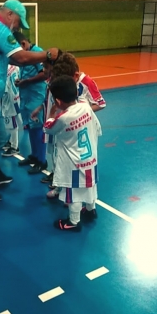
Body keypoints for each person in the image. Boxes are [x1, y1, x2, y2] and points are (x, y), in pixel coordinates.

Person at [0, 0, 60, 202]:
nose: (16, 28)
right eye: (17, 22)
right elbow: (20, 58)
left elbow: (9, 57)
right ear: (9, 15)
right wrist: (48, 55)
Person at [43, 75, 102, 232]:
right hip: (90, 157)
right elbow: (97, 128)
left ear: (58, 101)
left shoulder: (63, 117)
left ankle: (73, 222)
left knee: (74, 192)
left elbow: (48, 128)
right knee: (89, 186)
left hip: (74, 162)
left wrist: (51, 113)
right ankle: (91, 209)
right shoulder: (86, 106)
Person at [12, 31, 48, 174]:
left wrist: (26, 81)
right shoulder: (24, 56)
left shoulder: (37, 53)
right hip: (26, 95)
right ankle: (34, 155)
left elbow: (45, 74)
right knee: (31, 126)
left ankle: (42, 161)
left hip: (36, 96)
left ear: (23, 43)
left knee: (38, 127)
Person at [1, 64, 21, 157]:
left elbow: (2, 88)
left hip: (10, 99)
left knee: (12, 123)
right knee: (15, 120)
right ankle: (11, 142)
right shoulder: (15, 66)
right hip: (16, 96)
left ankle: (14, 147)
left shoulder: (2, 69)